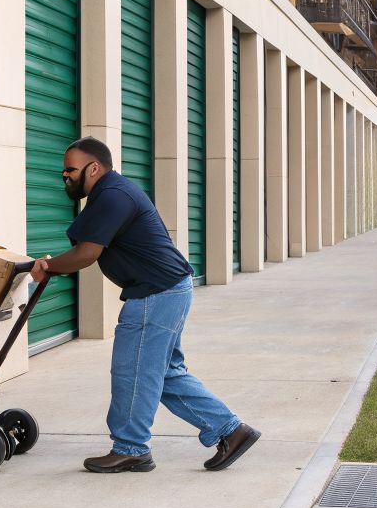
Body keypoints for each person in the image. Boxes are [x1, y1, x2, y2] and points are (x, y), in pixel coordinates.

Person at [29, 136, 260, 474]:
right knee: (162, 374)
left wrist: (47, 267)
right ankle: (231, 430)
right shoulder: (108, 193)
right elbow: (85, 248)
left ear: (93, 168)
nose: (65, 176)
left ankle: (131, 448)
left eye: (70, 170)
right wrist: (54, 263)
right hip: (166, 290)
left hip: (157, 294)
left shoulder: (113, 196)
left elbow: (86, 254)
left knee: (132, 371)